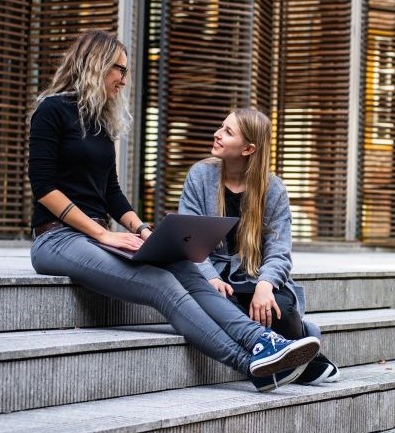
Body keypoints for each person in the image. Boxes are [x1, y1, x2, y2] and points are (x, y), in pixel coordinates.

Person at [27, 30, 319, 392]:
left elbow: (112, 193)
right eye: (120, 69)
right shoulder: (51, 110)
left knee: (181, 263)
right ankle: (250, 364)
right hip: (57, 239)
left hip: (97, 238)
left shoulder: (100, 124)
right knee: (161, 283)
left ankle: (262, 341)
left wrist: (146, 233)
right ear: (96, 64)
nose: (124, 78)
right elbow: (43, 188)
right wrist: (103, 233)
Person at [178, 107, 340, 388]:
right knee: (221, 306)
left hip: (254, 277)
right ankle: (305, 357)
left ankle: (293, 346)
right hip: (213, 276)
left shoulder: (273, 188)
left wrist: (266, 285)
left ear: (248, 148)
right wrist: (211, 277)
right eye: (221, 126)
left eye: (228, 132)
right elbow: (188, 238)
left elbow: (279, 250)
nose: (217, 134)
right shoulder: (200, 175)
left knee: (281, 308)